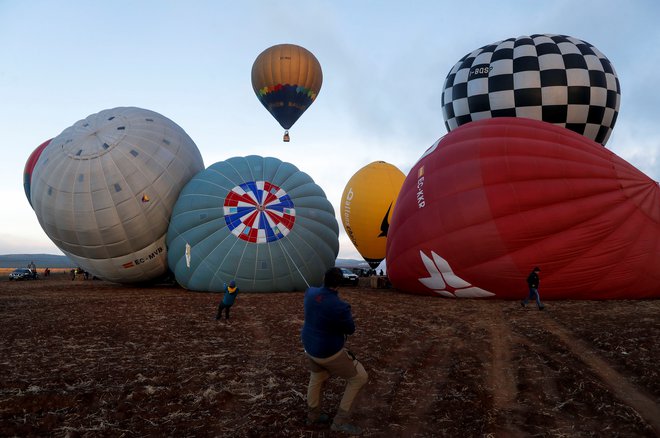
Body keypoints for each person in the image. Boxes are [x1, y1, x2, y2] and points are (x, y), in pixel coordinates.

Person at [301, 267, 368, 435]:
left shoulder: (309, 292)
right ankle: (340, 421)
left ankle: (313, 415)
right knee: (360, 377)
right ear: (341, 283)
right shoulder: (340, 306)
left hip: (309, 347)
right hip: (328, 352)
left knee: (317, 377)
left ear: (324, 278)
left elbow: (316, 303)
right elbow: (350, 329)